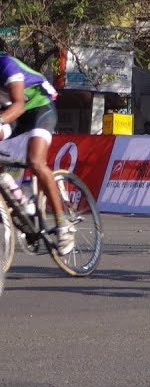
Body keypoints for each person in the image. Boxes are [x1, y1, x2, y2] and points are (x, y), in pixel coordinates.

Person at [0, 51, 75, 253]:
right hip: (14, 118)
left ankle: (62, 224)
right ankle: (18, 196)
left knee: (36, 162)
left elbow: (18, 105)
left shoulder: (6, 64)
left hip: (39, 109)